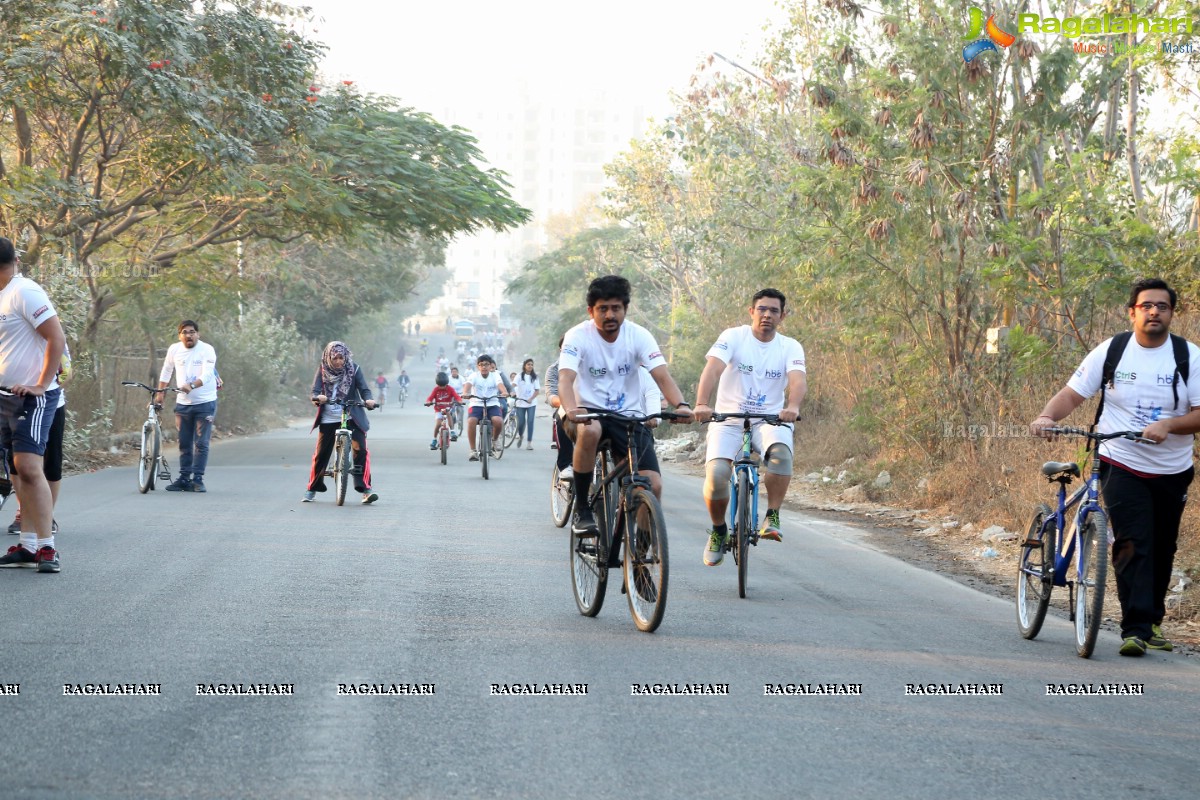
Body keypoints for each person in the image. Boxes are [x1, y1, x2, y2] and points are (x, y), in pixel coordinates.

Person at [1031, 278, 1200, 657]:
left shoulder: (1189, 357)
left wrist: (1170, 425)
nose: (1154, 311)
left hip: (1173, 467)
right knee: (1132, 540)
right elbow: (1074, 392)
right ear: (1132, 312)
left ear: (1173, 313)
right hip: (1118, 457)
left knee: (1162, 545)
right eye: (1146, 306)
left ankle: (1151, 622)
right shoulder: (1114, 351)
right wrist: (1047, 416)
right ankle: (1135, 628)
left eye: (1162, 306)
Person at [558, 275, 694, 537]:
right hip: (586, 414)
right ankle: (583, 508)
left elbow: (662, 376)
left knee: (652, 485)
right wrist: (572, 409)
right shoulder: (577, 336)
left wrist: (682, 405)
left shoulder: (639, 336)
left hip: (629, 418)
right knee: (591, 431)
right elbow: (566, 379)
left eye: (616, 308)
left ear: (625, 309)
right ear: (591, 311)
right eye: (603, 309)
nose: (610, 315)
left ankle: (642, 551)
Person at [693, 289, 806, 566]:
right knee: (718, 474)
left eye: (774, 311)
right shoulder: (733, 336)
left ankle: (773, 515)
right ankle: (719, 529)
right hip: (728, 419)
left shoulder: (790, 346)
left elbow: (798, 380)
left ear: (783, 315)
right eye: (762, 309)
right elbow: (713, 369)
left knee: (781, 453)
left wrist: (793, 407)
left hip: (769, 420)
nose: (767, 315)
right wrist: (701, 403)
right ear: (751, 311)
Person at [0, 237, 66, 573]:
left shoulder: (23, 292)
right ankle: (26, 546)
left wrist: (41, 384)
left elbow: (56, 337)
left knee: (29, 468)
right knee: (16, 473)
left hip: (32, 398)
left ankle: (47, 547)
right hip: (3, 396)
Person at [304, 341, 378, 504]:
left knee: (361, 450)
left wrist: (368, 400)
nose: (338, 361)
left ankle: (365, 489)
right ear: (329, 357)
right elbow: (314, 391)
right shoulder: (322, 369)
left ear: (346, 357)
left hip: (351, 414)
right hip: (329, 417)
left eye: (341, 358)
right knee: (321, 453)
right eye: (335, 358)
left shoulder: (354, 369)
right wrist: (318, 398)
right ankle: (312, 488)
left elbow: (364, 388)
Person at [8, 346, 70, 538]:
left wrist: (46, 385)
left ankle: (46, 515)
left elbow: (67, 370)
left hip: (50, 404)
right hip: (12, 401)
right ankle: (24, 512)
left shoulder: (47, 328)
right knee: (17, 463)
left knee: (51, 464)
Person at [156, 319, 218, 493]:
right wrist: (160, 393)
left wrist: (191, 385)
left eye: (192, 332)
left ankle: (197, 480)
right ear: (179, 336)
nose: (188, 335)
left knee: (201, 443)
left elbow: (207, 374)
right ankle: (184, 478)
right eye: (185, 332)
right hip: (183, 404)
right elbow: (167, 370)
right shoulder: (174, 349)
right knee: (184, 443)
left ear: (198, 334)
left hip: (205, 402)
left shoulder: (207, 350)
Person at [462, 354, 508, 462]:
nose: (484, 367)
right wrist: (465, 393)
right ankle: (473, 450)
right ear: (478, 366)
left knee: (498, 421)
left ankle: (495, 439)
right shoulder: (474, 376)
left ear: (490, 366)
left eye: (486, 364)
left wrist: (504, 392)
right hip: (476, 403)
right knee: (471, 421)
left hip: (492, 403)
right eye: (481, 365)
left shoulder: (495, 375)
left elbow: (500, 385)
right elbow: (468, 385)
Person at [544, 337, 573, 474]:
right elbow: (552, 396)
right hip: (569, 408)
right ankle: (565, 466)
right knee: (562, 417)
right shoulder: (554, 370)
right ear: (561, 350)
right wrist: (569, 404)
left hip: (592, 407)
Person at [425, 372, 463, 449]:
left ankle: (452, 431)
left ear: (447, 383)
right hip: (438, 409)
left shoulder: (450, 389)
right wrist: (429, 402)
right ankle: (434, 439)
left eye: (444, 386)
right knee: (438, 423)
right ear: (437, 384)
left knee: (448, 413)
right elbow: (430, 397)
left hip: (448, 407)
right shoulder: (436, 389)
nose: (442, 387)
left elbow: (456, 396)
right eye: (440, 386)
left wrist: (459, 400)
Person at [514, 358, 540, 450]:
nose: (530, 366)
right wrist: (511, 391)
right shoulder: (519, 376)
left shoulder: (535, 377)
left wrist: (531, 398)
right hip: (520, 402)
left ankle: (529, 443)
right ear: (524, 366)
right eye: (528, 364)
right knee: (521, 422)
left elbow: (537, 391)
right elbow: (513, 385)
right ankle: (521, 436)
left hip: (531, 403)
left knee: (530, 421)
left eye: (531, 365)